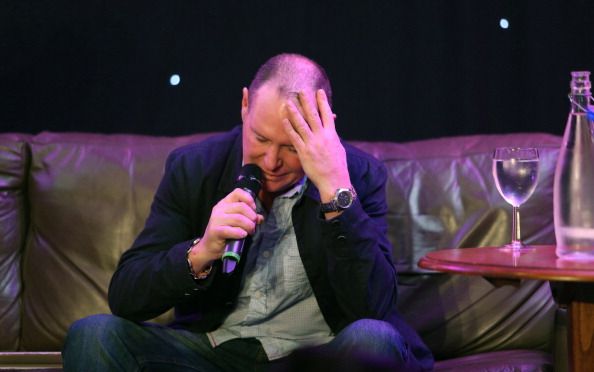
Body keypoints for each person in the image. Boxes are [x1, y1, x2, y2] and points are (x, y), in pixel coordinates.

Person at [62, 53, 433, 371]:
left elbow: (375, 307)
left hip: (316, 358)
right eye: (260, 138)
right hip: (212, 351)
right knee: (93, 335)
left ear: (325, 127)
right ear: (244, 106)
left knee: (374, 339)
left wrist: (335, 191)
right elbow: (126, 296)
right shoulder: (195, 168)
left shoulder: (357, 175)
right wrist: (201, 251)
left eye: (291, 146)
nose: (271, 161)